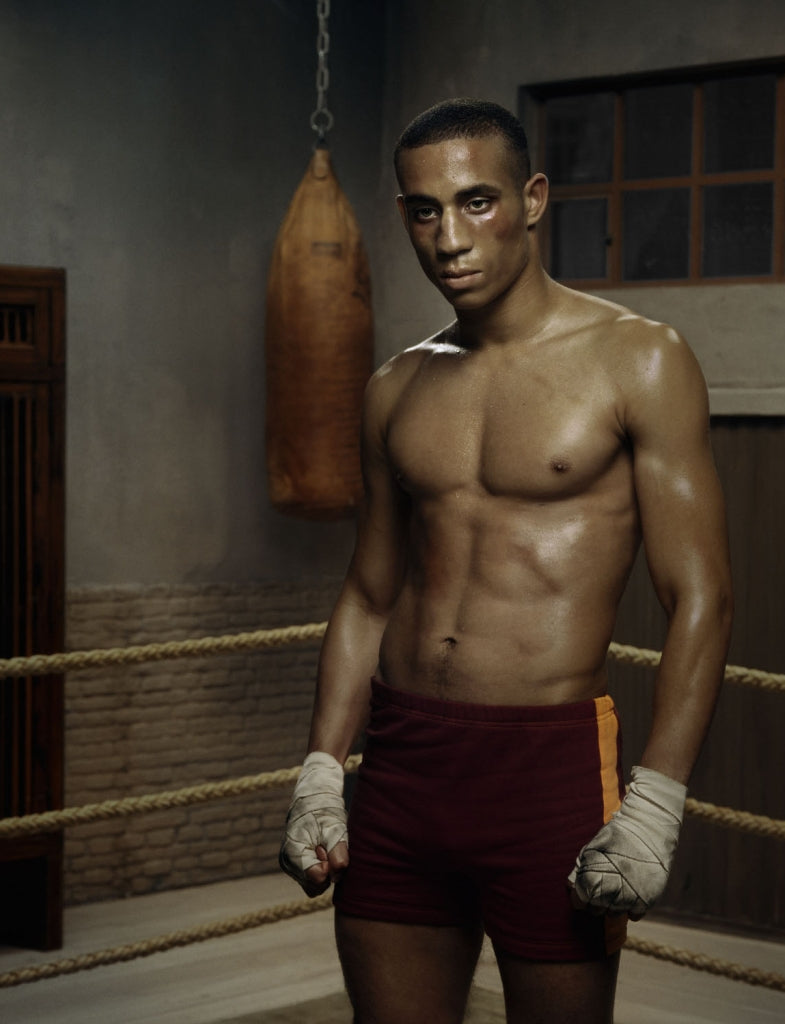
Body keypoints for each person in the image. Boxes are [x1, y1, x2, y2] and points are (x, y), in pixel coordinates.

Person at [280, 98, 733, 1024]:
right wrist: (323, 770)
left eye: (476, 201)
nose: (449, 236)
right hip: (403, 764)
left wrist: (658, 802)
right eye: (422, 210)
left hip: (547, 769)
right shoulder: (394, 386)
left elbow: (701, 596)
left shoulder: (639, 359)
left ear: (532, 199)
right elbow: (369, 596)